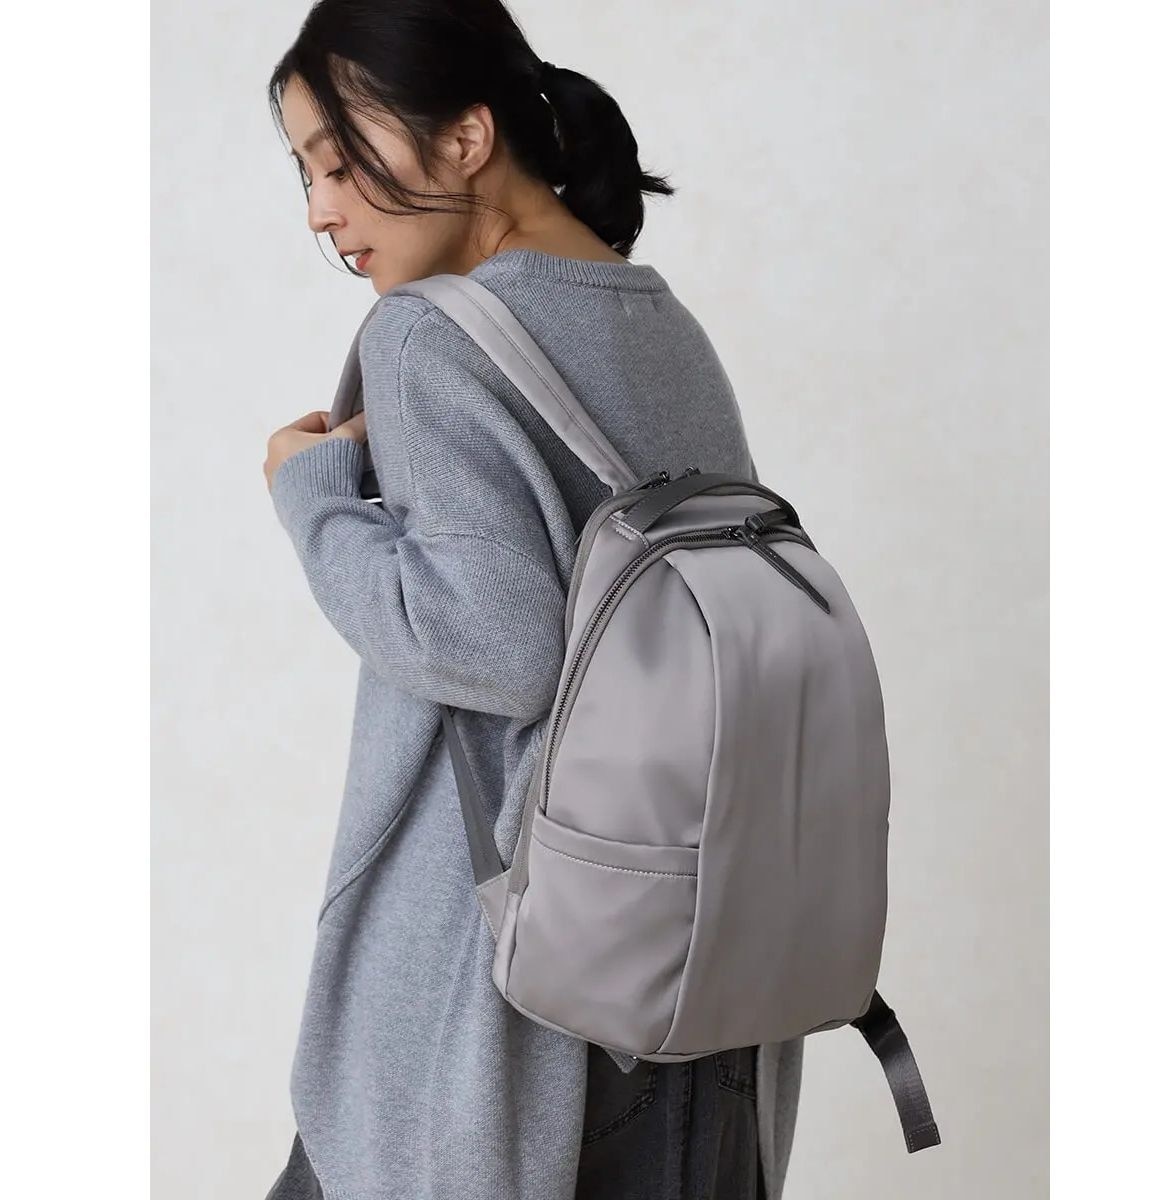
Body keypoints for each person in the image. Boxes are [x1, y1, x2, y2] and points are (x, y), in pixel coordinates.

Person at [260, 2, 805, 1197]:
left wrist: (311, 498)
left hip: (511, 993)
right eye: (307, 173)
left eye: (341, 162)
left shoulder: (428, 339)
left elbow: (494, 646)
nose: (320, 211)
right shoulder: (656, 317)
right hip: (700, 972)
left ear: (466, 138)